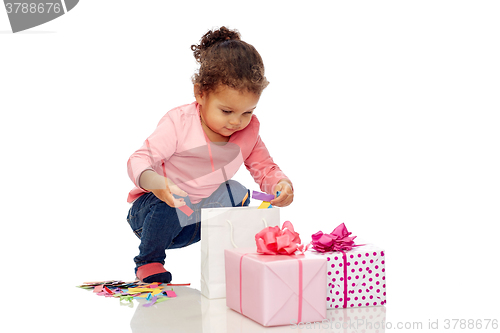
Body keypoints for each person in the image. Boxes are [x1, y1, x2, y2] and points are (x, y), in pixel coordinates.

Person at [126, 26, 294, 283]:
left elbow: (264, 166)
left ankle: (226, 262)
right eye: (226, 111)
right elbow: (138, 160)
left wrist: (280, 183)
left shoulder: (248, 132)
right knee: (173, 200)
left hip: (195, 223)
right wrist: (157, 184)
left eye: (247, 112)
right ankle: (149, 261)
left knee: (237, 191)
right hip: (152, 215)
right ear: (200, 94)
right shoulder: (179, 123)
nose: (237, 122)